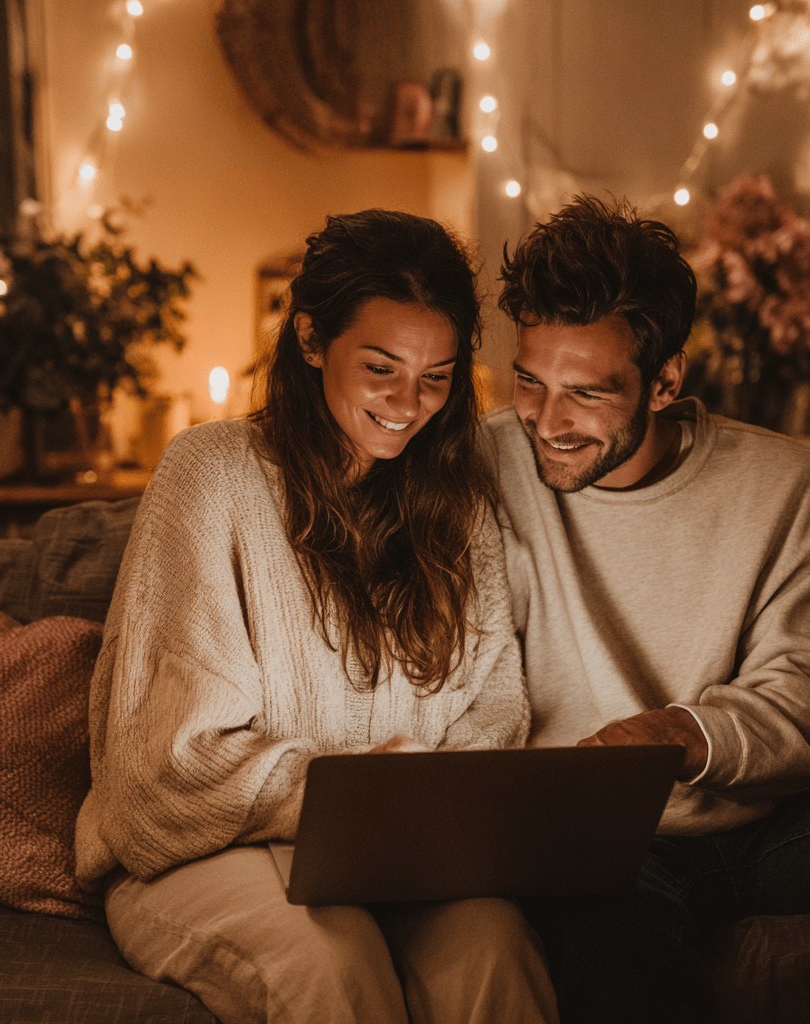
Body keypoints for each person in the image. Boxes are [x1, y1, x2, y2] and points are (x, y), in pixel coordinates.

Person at [479, 194, 810, 1023]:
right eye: (530, 380)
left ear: (665, 381)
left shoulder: (782, 487)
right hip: (600, 851)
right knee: (614, 960)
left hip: (782, 824)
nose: (546, 423)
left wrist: (684, 734)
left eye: (586, 393)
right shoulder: (483, 464)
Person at [74, 209, 559, 1024]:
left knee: (496, 952)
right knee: (332, 966)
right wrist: (351, 788)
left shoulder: (459, 506)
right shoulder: (212, 475)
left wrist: (426, 800)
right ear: (309, 339)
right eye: (381, 367)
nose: (410, 403)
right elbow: (165, 761)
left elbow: (496, 706)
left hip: (400, 857)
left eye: (438, 375)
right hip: (207, 850)